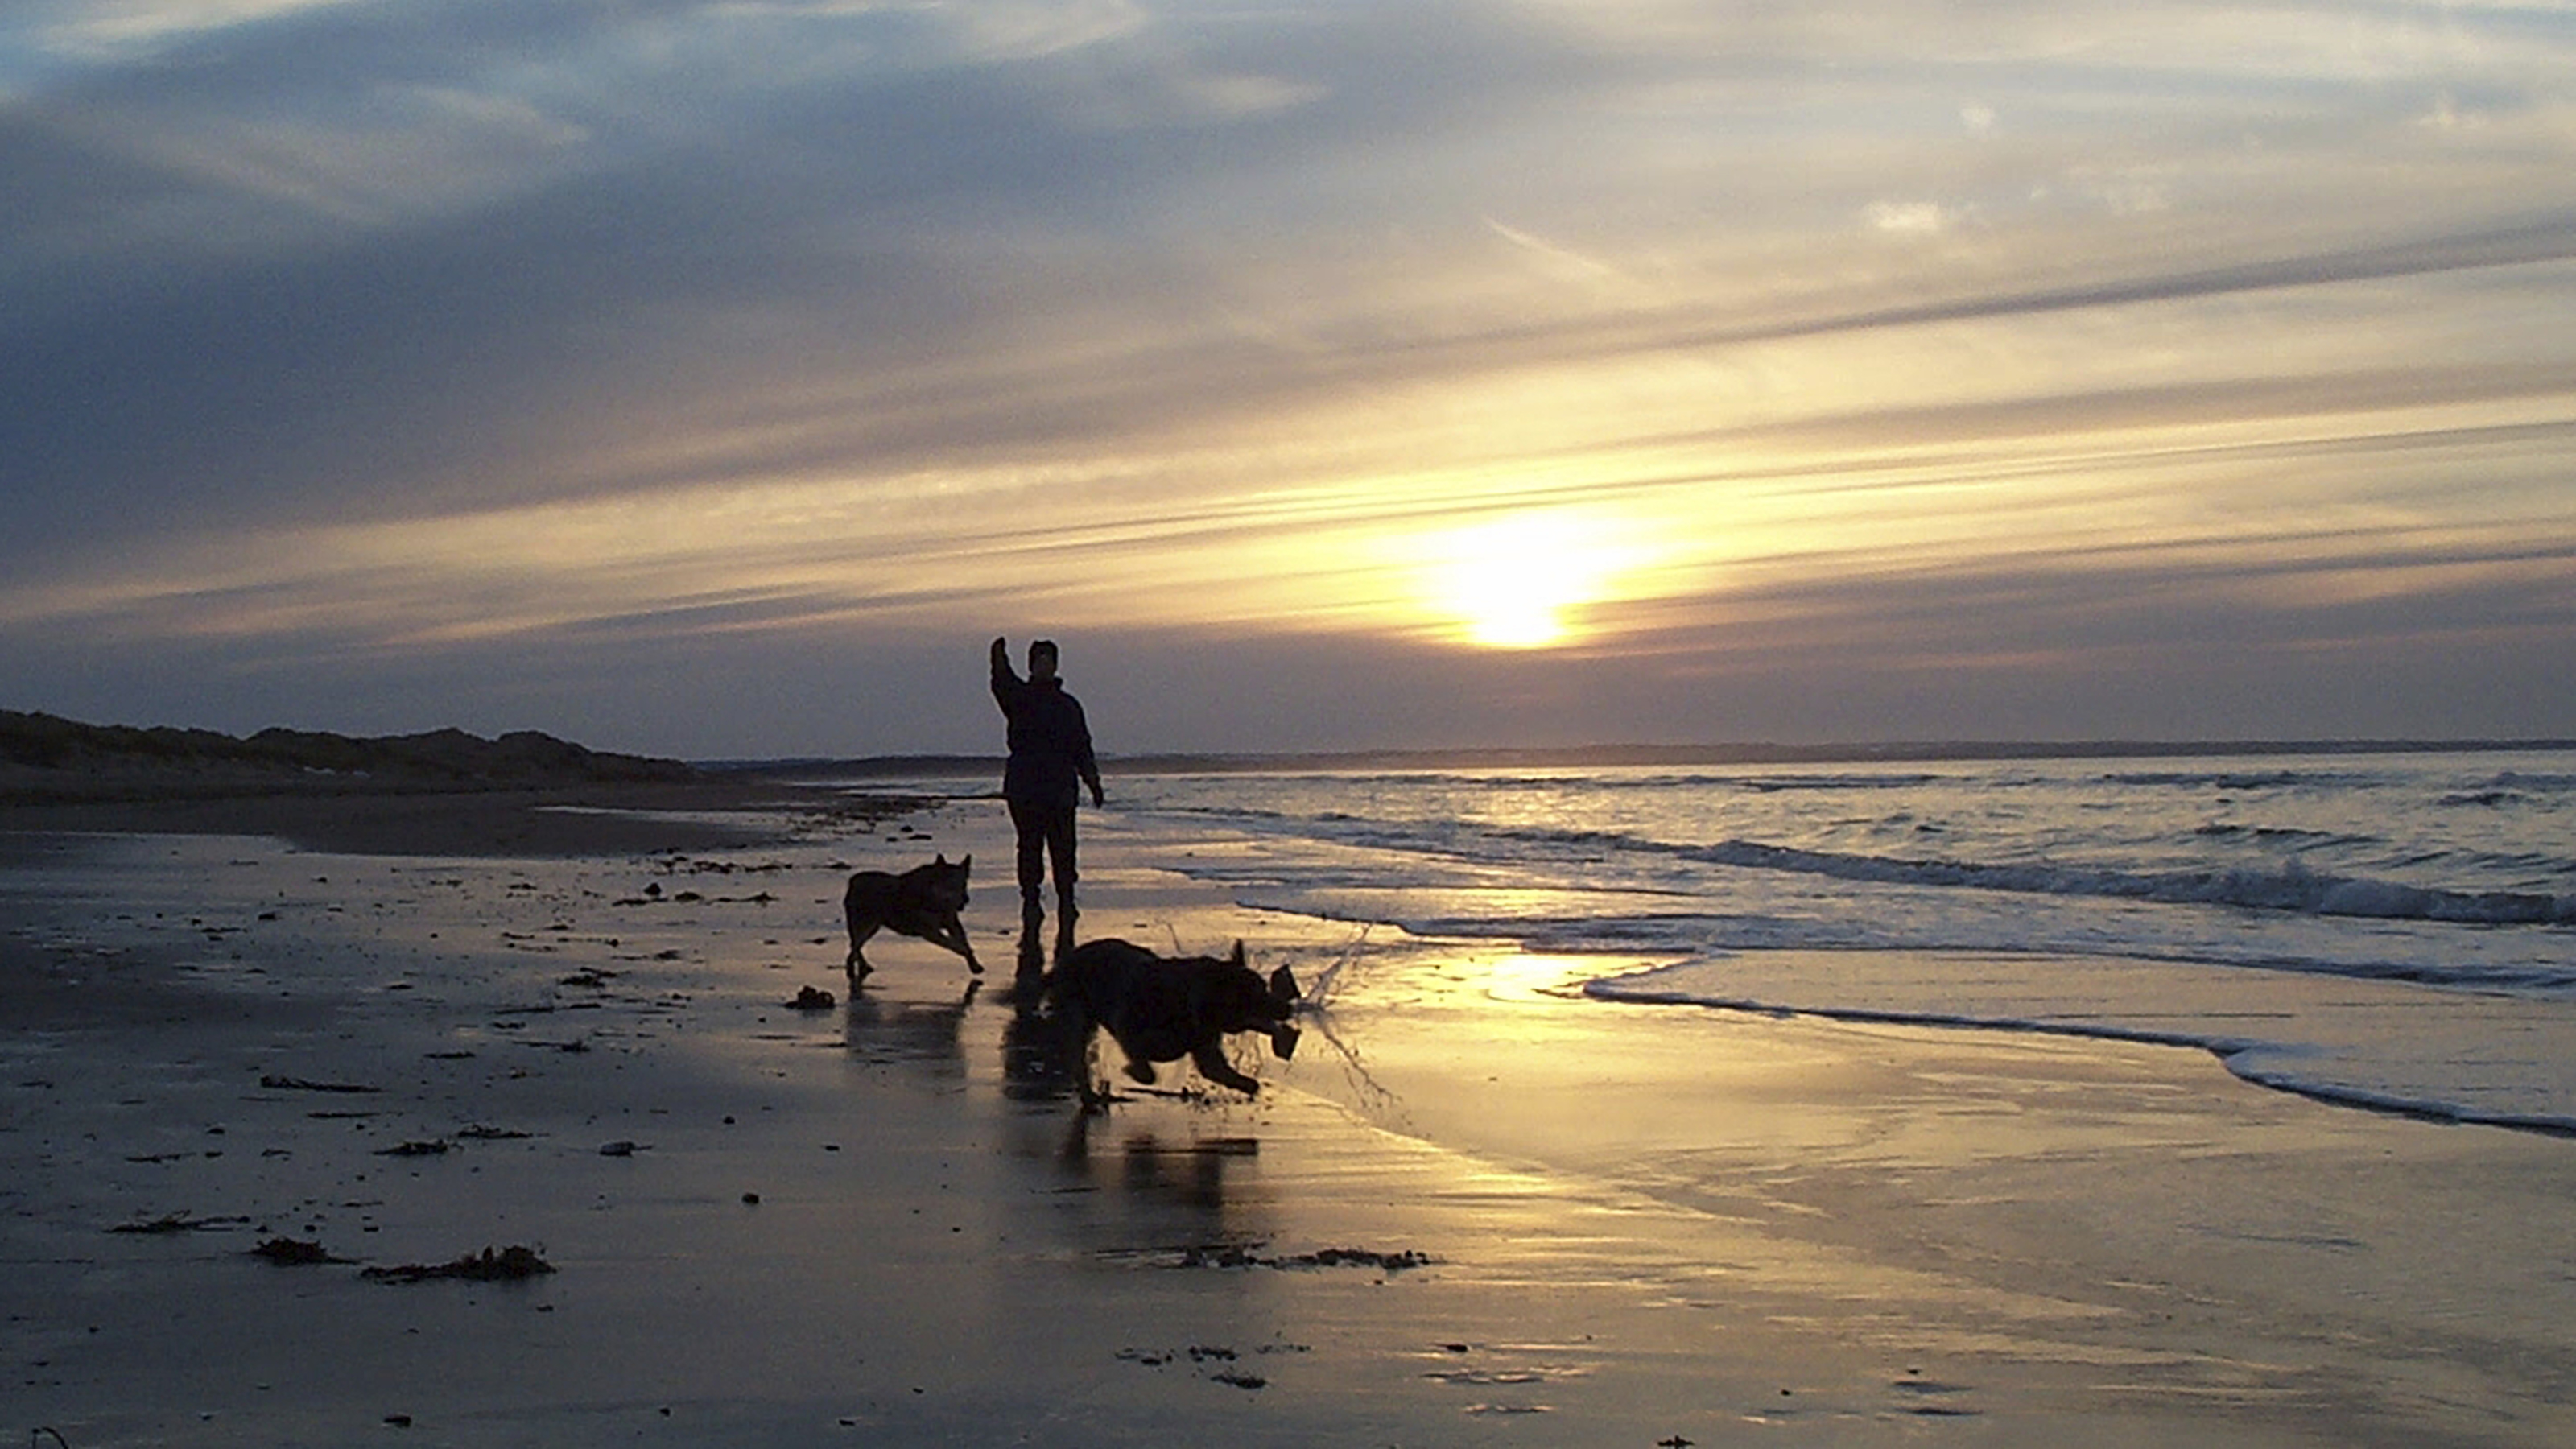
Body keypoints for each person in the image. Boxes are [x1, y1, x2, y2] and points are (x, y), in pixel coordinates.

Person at [989, 637, 1104, 942]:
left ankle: (1066, 898)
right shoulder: (1019, 699)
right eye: (1039, 661)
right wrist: (998, 657)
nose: (1044, 666)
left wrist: (1093, 781)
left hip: (1060, 790)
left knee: (1064, 848)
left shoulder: (1068, 706)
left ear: (1055, 665)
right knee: (1029, 847)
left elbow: (1082, 746)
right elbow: (1001, 683)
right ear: (1031, 666)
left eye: (1048, 661)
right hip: (1025, 789)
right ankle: (1031, 898)